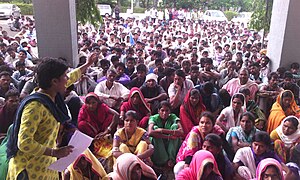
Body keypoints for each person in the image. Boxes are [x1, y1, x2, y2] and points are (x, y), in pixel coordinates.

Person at [6, 54, 97, 179]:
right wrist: (54, 152)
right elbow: (24, 143)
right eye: (64, 75)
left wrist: (87, 64)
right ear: (54, 81)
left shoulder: (51, 93)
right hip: (30, 169)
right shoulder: (35, 106)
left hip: (46, 166)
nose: (68, 79)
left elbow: (72, 77)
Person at [174, 111, 228, 176]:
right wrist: (187, 168)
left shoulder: (217, 131)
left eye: (207, 123)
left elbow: (225, 146)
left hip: (213, 157)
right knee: (179, 168)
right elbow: (190, 153)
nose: (204, 125)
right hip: (194, 158)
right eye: (202, 123)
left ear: (213, 124)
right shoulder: (194, 133)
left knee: (227, 163)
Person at [148, 101, 183, 167]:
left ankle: (171, 159)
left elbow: (181, 132)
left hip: (170, 143)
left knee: (175, 127)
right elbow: (150, 132)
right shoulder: (154, 118)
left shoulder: (173, 117)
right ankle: (162, 160)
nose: (164, 113)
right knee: (155, 128)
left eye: (167, 110)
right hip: (160, 143)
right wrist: (168, 137)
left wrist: (162, 130)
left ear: (170, 111)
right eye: (162, 110)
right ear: (158, 111)